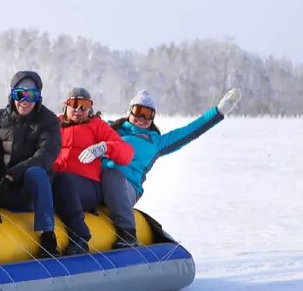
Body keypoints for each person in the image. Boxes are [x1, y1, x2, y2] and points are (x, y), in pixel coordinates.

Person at [102, 87, 242, 248]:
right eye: (138, 111)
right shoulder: (109, 128)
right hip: (98, 182)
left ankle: (127, 235)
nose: (141, 117)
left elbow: (189, 132)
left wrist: (218, 112)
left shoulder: (156, 143)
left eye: (148, 114)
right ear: (129, 111)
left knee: (112, 175)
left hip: (125, 189)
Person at [51, 87, 134, 255]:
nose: (79, 109)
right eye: (74, 103)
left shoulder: (96, 126)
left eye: (84, 105)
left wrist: (104, 147)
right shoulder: (53, 124)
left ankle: (79, 239)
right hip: (56, 182)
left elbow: (126, 152)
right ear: (65, 105)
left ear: (90, 108)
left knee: (65, 184)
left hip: (87, 187)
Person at [0, 70, 62, 257]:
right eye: (20, 94)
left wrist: (13, 173)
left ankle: (47, 234)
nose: (25, 100)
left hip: (28, 192)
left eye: (31, 95)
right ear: (12, 95)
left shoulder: (48, 121)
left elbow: (45, 155)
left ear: (38, 97)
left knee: (37, 172)